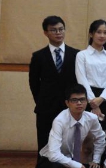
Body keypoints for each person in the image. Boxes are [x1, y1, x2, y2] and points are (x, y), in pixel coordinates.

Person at [36, 85, 106, 168]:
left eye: (82, 99)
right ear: (67, 103)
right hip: (48, 163)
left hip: (70, 162)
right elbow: (53, 155)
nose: (79, 103)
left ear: (87, 101)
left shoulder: (91, 118)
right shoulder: (60, 120)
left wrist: (96, 160)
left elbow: (100, 138)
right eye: (74, 100)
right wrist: (80, 167)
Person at [29, 15, 79, 152]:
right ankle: (44, 166)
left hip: (70, 106)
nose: (58, 33)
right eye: (53, 30)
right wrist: (41, 101)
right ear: (46, 33)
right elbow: (34, 83)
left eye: (61, 29)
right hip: (46, 108)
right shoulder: (38, 56)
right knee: (45, 143)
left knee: (70, 144)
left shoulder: (76, 54)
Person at [75, 19, 106, 126]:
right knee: (86, 130)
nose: (102, 36)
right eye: (99, 32)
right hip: (87, 96)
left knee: (105, 130)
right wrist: (93, 102)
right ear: (91, 34)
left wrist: (101, 98)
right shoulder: (82, 55)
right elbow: (81, 79)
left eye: (105, 33)